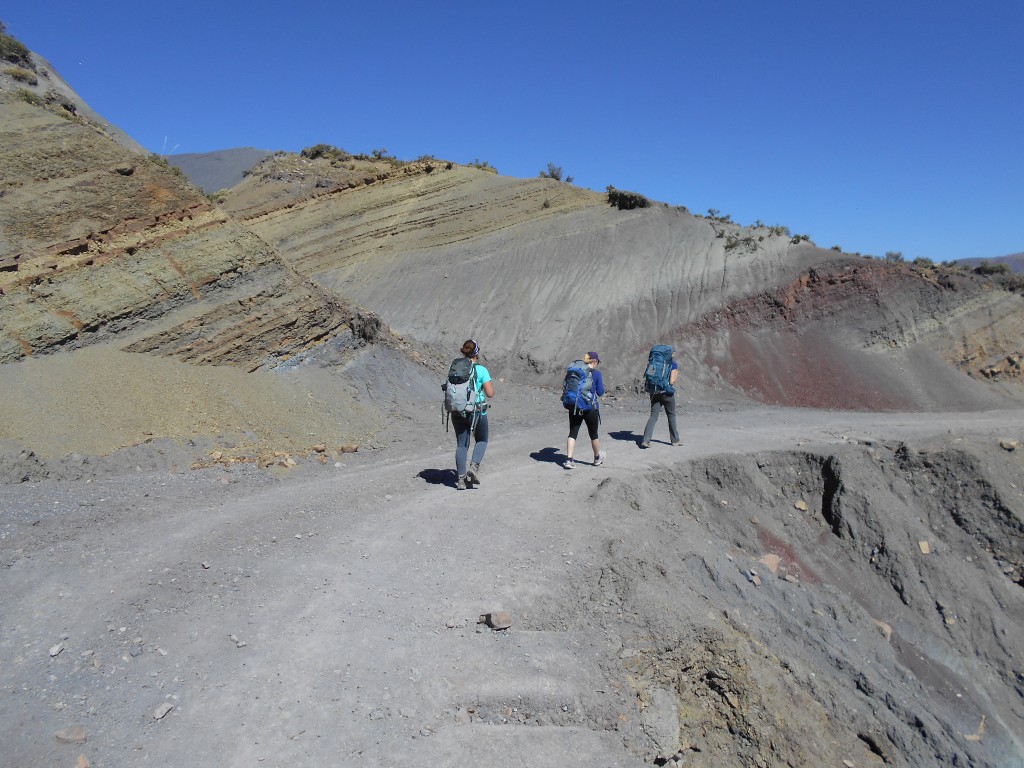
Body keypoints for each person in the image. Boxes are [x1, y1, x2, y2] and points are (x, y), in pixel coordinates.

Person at [451, 339, 494, 490]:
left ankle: (461, 480)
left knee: (462, 444)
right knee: (482, 440)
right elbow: (490, 393)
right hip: (476, 411)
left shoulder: (455, 367)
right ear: (477, 352)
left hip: (457, 410)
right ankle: (474, 467)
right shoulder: (481, 370)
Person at [564, 351, 606, 469]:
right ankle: (597, 457)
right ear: (594, 361)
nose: (597, 363)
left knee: (572, 433)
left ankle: (569, 460)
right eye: (597, 361)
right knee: (594, 435)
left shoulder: (575, 371)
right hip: (589, 408)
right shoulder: (596, 374)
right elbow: (600, 392)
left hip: (575, 405)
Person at [640, 354, 681, 448]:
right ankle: (675, 440)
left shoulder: (654, 364)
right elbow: (671, 381)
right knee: (671, 415)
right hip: (667, 394)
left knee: (653, 416)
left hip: (654, 393)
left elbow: (648, 377)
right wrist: (676, 373)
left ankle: (646, 440)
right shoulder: (673, 364)